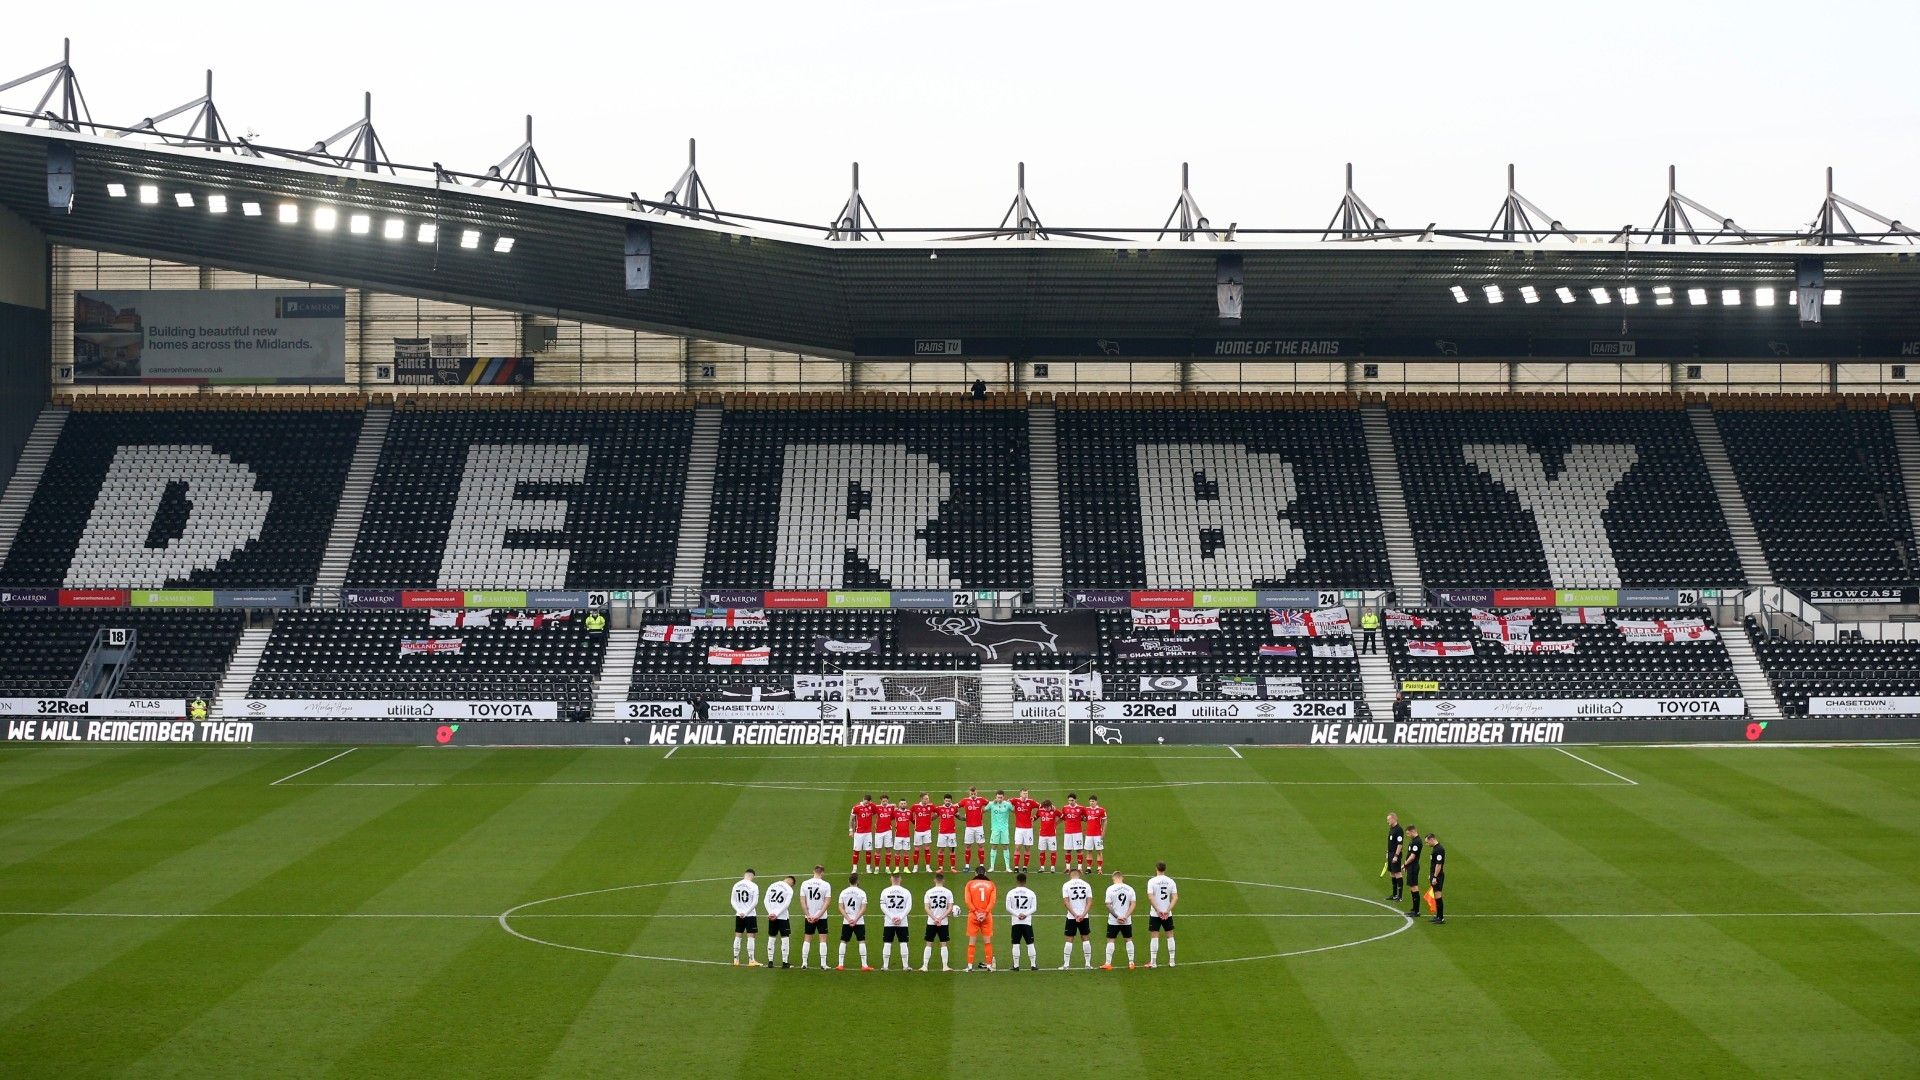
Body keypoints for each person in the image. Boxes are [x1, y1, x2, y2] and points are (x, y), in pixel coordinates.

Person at [798, 865, 833, 970]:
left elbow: (802, 901)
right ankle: (823, 964)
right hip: (821, 917)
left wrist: (808, 915)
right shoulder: (826, 884)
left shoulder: (805, 883)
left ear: (813, 871)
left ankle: (804, 963)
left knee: (807, 938)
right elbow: (827, 902)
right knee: (822, 939)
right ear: (822, 872)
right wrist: (819, 915)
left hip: (809, 916)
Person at [964, 867, 998, 971]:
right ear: (985, 873)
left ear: (975, 873)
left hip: (973, 916)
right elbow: (992, 901)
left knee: (972, 942)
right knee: (987, 941)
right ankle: (989, 966)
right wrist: (985, 913)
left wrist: (976, 913)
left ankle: (969, 966)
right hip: (986, 916)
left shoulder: (969, 884)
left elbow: (967, 901)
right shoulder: (991, 884)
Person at [1145, 862, 1178, 968]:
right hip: (1167, 914)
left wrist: (1158, 910)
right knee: (1170, 935)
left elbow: (1150, 897)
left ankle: (1153, 962)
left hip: (1155, 914)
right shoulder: (1171, 881)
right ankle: (1172, 961)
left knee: (1154, 936)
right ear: (1165, 869)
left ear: (1156, 868)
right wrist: (1167, 910)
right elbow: (1175, 897)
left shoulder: (1152, 881)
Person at [1060, 867, 1095, 969]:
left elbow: (1066, 902)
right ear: (1079, 874)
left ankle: (1066, 965)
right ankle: (1088, 964)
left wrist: (1075, 915)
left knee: (1069, 939)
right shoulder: (1086, 885)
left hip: (1072, 917)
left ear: (1070, 874)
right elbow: (1089, 902)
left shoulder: (1066, 885)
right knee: (1085, 938)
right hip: (1084, 916)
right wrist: (1083, 914)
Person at [920, 872, 955, 972]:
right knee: (943, 943)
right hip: (943, 922)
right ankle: (945, 966)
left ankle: (925, 966)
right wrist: (941, 918)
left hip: (931, 921)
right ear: (943, 880)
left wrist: (935, 918)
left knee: (928, 943)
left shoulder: (929, 892)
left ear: (935, 880)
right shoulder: (948, 892)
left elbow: (926, 908)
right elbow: (950, 908)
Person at [1102, 870, 1137, 970]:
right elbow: (1133, 904)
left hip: (1113, 920)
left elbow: (1108, 904)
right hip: (1127, 920)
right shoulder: (1130, 889)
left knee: (1111, 940)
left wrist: (1117, 917)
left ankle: (1108, 963)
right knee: (1128, 939)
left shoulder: (1110, 889)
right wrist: (1126, 916)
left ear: (1113, 878)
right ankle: (1131, 963)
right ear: (1122, 877)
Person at [1005, 871, 1039, 971]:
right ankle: (1033, 965)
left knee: (1016, 943)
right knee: (1030, 943)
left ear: (1017, 881)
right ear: (1025, 881)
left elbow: (1008, 907)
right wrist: (1025, 914)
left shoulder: (1011, 892)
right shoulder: (1031, 893)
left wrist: (1017, 915)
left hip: (1016, 922)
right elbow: (1034, 908)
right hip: (1027, 922)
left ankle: (1016, 966)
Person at [879, 874, 913, 970]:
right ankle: (905, 966)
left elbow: (883, 906)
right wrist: (900, 917)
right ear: (900, 879)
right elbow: (908, 907)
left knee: (887, 942)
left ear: (891, 879)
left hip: (889, 921)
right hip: (902, 922)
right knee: (903, 942)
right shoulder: (906, 892)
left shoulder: (885, 891)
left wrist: (892, 917)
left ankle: (885, 966)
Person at [836, 873, 870, 971]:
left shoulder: (843, 892)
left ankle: (840, 965)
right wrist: (855, 919)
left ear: (849, 881)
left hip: (847, 921)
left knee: (843, 941)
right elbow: (863, 908)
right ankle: (864, 965)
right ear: (857, 881)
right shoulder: (862, 892)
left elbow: (840, 907)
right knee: (861, 941)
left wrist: (848, 918)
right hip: (859, 921)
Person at [730, 869, 761, 967]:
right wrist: (746, 912)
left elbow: (732, 901)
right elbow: (755, 902)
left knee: (738, 936)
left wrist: (739, 911)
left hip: (739, 915)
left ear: (744, 874)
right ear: (753, 876)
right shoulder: (754, 886)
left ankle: (736, 960)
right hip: (750, 915)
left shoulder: (736, 885)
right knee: (751, 936)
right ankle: (751, 960)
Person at [764, 874, 795, 968]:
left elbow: (765, 900)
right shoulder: (789, 889)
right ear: (792, 882)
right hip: (782, 917)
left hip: (772, 916)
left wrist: (771, 913)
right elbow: (786, 904)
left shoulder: (772, 885)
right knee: (785, 938)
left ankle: (770, 962)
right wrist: (777, 914)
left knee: (772, 937)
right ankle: (785, 962)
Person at [958, 787, 989, 870]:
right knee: (968, 846)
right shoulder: (965, 801)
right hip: (969, 828)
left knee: (981, 845)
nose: (973, 795)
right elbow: (955, 806)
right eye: (971, 794)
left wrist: (984, 810)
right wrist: (958, 815)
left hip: (979, 827)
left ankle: (981, 865)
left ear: (976, 792)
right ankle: (967, 865)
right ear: (969, 793)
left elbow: (990, 804)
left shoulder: (981, 799)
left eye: (974, 793)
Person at [1010, 788, 1038, 870]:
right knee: (1017, 847)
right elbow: (1007, 803)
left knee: (1027, 848)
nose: (1026, 795)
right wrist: (1013, 809)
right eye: (1024, 793)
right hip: (1019, 829)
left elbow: (1041, 807)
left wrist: (1035, 817)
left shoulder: (1031, 802)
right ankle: (1016, 867)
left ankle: (1025, 867)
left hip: (1028, 829)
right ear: (1020, 794)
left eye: (1027, 793)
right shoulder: (1015, 800)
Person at [849, 793, 877, 874]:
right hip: (858, 833)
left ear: (870, 802)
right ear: (863, 799)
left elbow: (879, 809)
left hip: (868, 833)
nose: (866, 804)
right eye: (865, 802)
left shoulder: (872, 806)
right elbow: (851, 819)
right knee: (856, 851)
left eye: (868, 803)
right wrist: (851, 830)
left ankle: (868, 868)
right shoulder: (856, 807)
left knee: (868, 851)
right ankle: (854, 868)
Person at [986, 790, 1014, 872]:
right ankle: (992, 867)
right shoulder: (991, 804)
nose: (999, 799)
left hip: (1004, 829)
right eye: (998, 797)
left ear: (1003, 797)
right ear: (996, 797)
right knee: (994, 846)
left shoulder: (1007, 804)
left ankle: (1007, 867)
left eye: (1001, 797)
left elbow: (1014, 810)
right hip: (995, 829)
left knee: (1005, 846)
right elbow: (983, 810)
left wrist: (1013, 803)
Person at [909, 792, 935, 873]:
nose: (927, 800)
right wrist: (913, 821)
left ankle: (928, 867)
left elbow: (938, 812)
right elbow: (909, 814)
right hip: (918, 831)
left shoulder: (931, 806)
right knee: (916, 849)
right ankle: (915, 867)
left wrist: (932, 818)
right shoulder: (915, 806)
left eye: (928, 798)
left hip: (927, 831)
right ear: (921, 799)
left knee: (927, 848)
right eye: (926, 799)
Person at [1061, 793, 1086, 871]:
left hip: (1077, 833)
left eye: (1072, 800)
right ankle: (1068, 868)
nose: (1070, 802)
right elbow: (1063, 817)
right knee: (1068, 850)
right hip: (1068, 832)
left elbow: (1086, 818)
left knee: (1079, 850)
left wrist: (1082, 818)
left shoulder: (1081, 808)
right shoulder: (1065, 808)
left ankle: (1080, 868)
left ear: (1075, 800)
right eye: (1069, 800)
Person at [1402, 824, 1423, 918]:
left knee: (1414, 887)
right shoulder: (1414, 841)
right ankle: (1414, 909)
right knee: (1412, 887)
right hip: (1411, 866)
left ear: (1412, 831)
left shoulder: (1417, 841)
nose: (1407, 835)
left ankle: (1416, 911)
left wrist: (1405, 864)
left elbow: (1413, 856)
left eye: (1408, 833)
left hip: (1413, 867)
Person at [934, 794, 960, 872]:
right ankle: (940, 868)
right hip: (942, 833)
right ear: (944, 800)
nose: (947, 802)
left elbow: (958, 816)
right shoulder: (939, 808)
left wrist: (966, 818)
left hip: (951, 833)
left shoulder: (954, 808)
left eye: (949, 801)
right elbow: (934, 817)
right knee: (940, 850)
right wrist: (926, 819)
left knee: (952, 850)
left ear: (951, 801)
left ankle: (952, 868)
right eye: (946, 801)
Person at [1084, 795, 1108, 873]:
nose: (1091, 803)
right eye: (1090, 801)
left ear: (1096, 802)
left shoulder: (1101, 810)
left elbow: (1105, 821)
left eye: (1093, 801)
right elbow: (1083, 817)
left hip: (1098, 834)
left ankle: (1099, 868)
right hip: (1089, 834)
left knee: (1099, 851)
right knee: (1089, 851)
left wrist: (1103, 833)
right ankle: (1088, 868)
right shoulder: (1086, 809)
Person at [1035, 798, 1060, 872]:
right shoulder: (1040, 810)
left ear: (1050, 806)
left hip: (1052, 835)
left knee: (1053, 851)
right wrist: (1033, 818)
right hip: (1042, 835)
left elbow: (1063, 817)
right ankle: (1042, 867)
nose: (1046, 808)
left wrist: (1056, 823)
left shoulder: (1055, 811)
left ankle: (1053, 867)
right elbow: (1036, 817)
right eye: (1044, 807)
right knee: (1042, 851)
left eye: (1047, 807)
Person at [873, 796, 897, 874]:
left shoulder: (891, 807)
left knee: (888, 849)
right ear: (881, 801)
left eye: (886, 801)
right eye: (883, 801)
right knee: (878, 850)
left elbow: (893, 817)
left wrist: (894, 807)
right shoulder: (877, 807)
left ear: (888, 801)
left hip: (888, 831)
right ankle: (877, 868)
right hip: (879, 832)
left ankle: (887, 868)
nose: (885, 802)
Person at [890, 794, 913, 872]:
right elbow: (889, 818)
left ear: (906, 804)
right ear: (899, 804)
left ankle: (906, 868)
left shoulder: (909, 812)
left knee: (906, 852)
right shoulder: (895, 812)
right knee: (897, 852)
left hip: (907, 836)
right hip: (898, 836)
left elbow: (913, 821)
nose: (903, 805)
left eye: (904, 803)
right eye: (901, 803)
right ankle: (897, 868)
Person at [1386, 812, 1406, 903]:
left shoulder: (1399, 830)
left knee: (1397, 873)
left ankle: (1400, 896)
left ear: (1394, 819)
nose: (1387, 821)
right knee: (1392, 873)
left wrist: (1396, 856)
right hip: (1390, 854)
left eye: (1388, 819)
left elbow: (1400, 844)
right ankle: (1394, 894)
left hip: (1395, 854)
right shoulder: (1391, 829)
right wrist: (1387, 852)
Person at [1427, 832, 1446, 925]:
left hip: (1438, 876)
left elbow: (1439, 864)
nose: (1427, 844)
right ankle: (1438, 916)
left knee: (1438, 895)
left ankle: (1441, 918)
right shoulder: (1436, 848)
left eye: (1427, 842)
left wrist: (1434, 877)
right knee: (1436, 895)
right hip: (1435, 875)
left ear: (1432, 839)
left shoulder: (1439, 849)